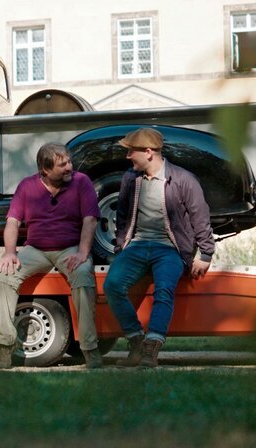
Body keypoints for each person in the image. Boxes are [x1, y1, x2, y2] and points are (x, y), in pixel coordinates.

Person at [103, 127, 215, 368]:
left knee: (164, 290)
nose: (128, 156)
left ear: (149, 152)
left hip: (170, 249)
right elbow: (122, 215)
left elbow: (200, 217)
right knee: (112, 285)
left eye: (131, 151)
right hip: (137, 246)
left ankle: (151, 349)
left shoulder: (183, 179)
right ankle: (136, 341)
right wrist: (121, 247)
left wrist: (205, 253)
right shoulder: (131, 178)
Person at [0, 142, 102, 369]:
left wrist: (83, 253)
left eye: (69, 162)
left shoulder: (81, 182)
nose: (69, 167)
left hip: (70, 248)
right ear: (45, 170)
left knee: (83, 275)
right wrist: (10, 253)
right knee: (5, 275)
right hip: (36, 249)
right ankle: (4, 347)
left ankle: (90, 349)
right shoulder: (27, 186)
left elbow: (90, 220)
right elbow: (12, 222)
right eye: (62, 165)